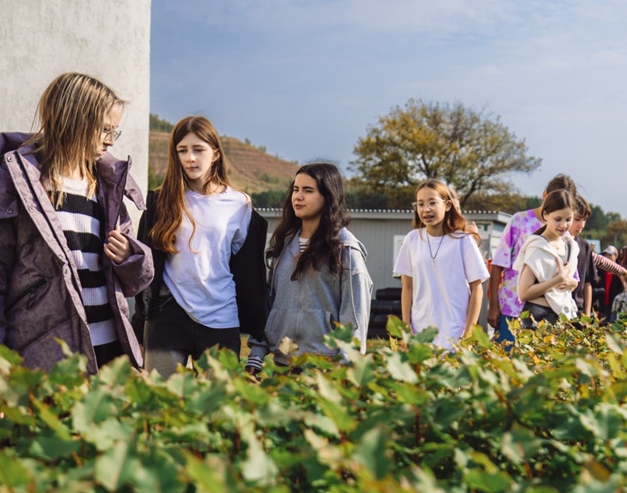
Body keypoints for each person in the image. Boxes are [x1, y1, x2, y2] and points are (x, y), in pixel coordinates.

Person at [0, 72, 154, 386]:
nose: (111, 140)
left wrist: (130, 256)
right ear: (74, 120)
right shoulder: (11, 185)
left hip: (111, 364)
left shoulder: (107, 188)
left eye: (114, 130)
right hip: (47, 371)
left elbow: (133, 282)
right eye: (105, 129)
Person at [133, 115, 267, 378]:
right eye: (182, 150)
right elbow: (144, 268)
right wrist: (139, 326)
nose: (189, 158)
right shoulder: (160, 201)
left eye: (198, 149)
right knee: (161, 398)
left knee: (217, 400)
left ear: (215, 154)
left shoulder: (239, 204)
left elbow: (248, 270)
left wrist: (257, 329)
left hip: (220, 316)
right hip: (167, 315)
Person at [245, 163, 372, 374]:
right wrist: (257, 353)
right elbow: (269, 303)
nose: (298, 197)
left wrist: (347, 366)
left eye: (308, 190)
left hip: (327, 368)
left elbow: (355, 312)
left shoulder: (345, 249)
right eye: (296, 189)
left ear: (328, 197)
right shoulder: (283, 245)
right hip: (284, 363)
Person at [393, 179, 489, 350]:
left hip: (455, 334)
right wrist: (406, 328)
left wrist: (468, 334)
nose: (426, 209)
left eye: (432, 203)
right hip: (419, 334)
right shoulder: (412, 239)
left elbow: (477, 288)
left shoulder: (464, 241)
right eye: (420, 204)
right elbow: (407, 287)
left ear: (447, 205)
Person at [488, 174, 577, 344]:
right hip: (512, 305)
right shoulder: (520, 221)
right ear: (545, 196)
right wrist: (493, 305)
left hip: (548, 312)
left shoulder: (564, 235)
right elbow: (497, 264)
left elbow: (572, 277)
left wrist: (569, 283)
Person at [515, 190, 580, 326]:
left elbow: (565, 286)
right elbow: (524, 292)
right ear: (545, 215)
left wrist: (572, 283)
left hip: (563, 315)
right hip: (538, 317)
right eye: (558, 219)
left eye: (568, 219)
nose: (563, 225)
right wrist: (558, 279)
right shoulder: (537, 247)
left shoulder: (570, 246)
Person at [570, 195, 627, 317]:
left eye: (584, 219)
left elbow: (595, 261)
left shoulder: (583, 245)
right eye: (577, 219)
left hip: (576, 310)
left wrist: (621, 271)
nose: (581, 225)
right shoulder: (553, 243)